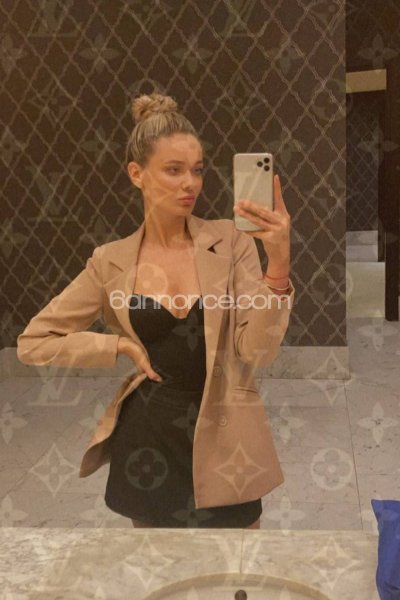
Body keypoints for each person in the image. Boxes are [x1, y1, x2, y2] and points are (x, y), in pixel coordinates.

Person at [17, 91, 295, 529]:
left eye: (198, 170)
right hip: (148, 439)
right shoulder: (110, 261)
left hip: (227, 437)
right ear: (137, 174)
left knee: (241, 564)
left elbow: (257, 351)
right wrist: (118, 347)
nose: (191, 183)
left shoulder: (230, 242)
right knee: (156, 568)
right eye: (174, 169)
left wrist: (277, 265)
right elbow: (33, 342)